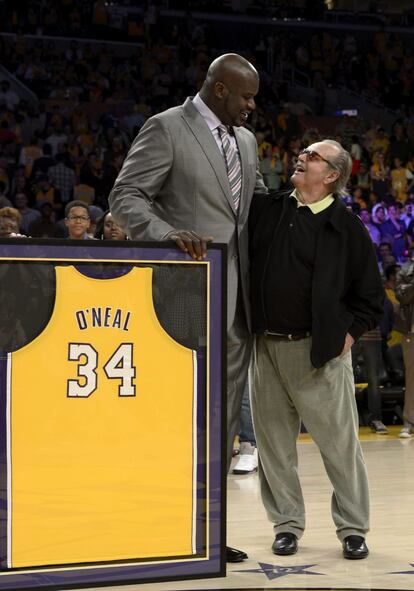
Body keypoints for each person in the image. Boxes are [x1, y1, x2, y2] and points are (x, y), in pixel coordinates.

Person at [109, 53, 268, 563]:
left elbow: (255, 208)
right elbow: (126, 195)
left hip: (238, 302)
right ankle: (158, 524)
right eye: (246, 96)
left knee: (221, 422)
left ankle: (209, 531)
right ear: (220, 90)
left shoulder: (246, 141)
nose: (251, 106)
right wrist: (164, 233)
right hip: (183, 297)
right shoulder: (167, 127)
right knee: (175, 417)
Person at [249, 139, 383, 560]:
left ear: (331, 176)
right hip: (266, 349)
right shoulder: (269, 208)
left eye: (313, 156)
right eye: (303, 153)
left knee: (340, 448)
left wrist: (345, 336)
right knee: (273, 449)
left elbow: (370, 299)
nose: (301, 158)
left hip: (319, 354)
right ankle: (286, 524)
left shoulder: (347, 227)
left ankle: (353, 529)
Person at [395, 243, 414, 438]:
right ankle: (409, 422)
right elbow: (402, 297)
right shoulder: (405, 270)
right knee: (412, 378)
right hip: (411, 331)